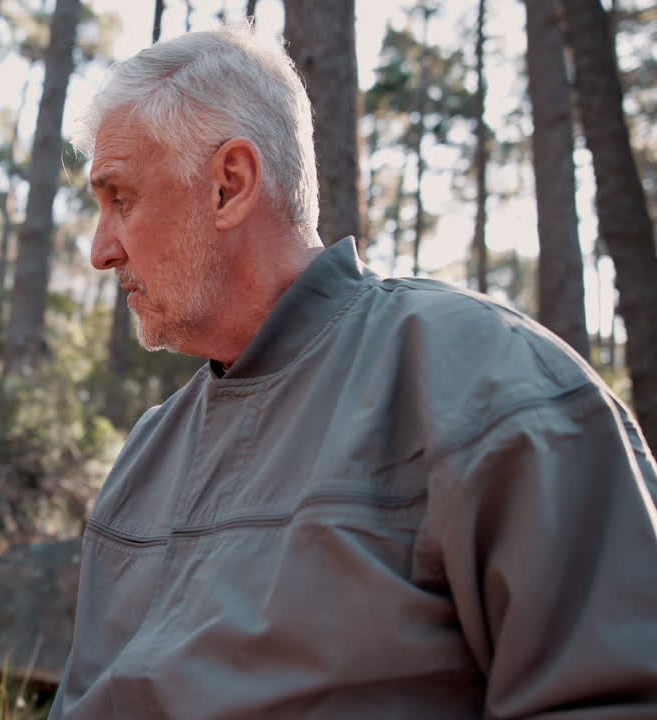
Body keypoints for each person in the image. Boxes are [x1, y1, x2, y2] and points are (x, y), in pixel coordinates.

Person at [50, 24, 657, 718]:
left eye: (120, 198)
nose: (101, 250)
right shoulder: (147, 456)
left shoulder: (487, 381)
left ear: (229, 185)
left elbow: (616, 694)